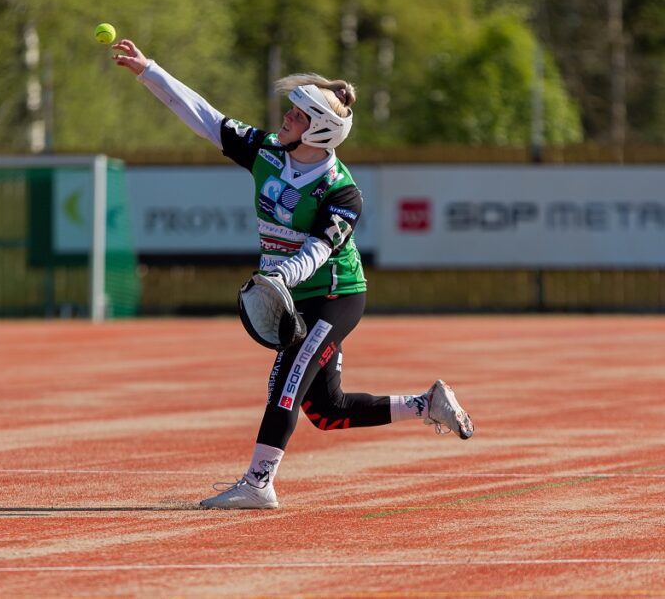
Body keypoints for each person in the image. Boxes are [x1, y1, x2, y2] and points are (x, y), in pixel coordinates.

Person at [112, 39, 474, 509]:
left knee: (287, 377)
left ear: (320, 131)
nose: (286, 118)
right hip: (293, 293)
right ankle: (428, 404)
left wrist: (279, 277)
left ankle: (259, 482)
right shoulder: (265, 152)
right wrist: (148, 70)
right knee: (327, 411)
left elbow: (319, 251)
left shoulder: (342, 193)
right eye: (291, 111)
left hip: (335, 295)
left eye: (298, 116)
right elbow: (204, 116)